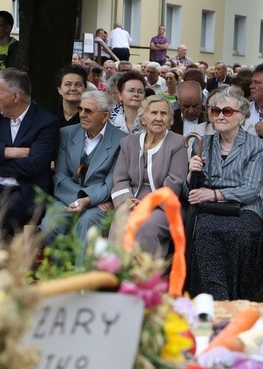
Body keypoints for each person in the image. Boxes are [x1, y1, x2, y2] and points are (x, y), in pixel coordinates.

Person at [185, 86, 263, 300]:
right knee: (204, 230)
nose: (220, 115)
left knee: (238, 233)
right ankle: (216, 296)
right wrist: (191, 173)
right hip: (210, 208)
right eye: (215, 111)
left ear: (242, 116)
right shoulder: (203, 144)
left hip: (244, 208)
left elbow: (250, 190)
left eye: (227, 111)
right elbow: (191, 190)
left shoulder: (255, 145)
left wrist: (214, 195)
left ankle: (239, 295)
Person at [0, 68, 59, 235]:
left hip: (23, 190)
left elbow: (35, 165)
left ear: (16, 96)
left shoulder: (46, 122)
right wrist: (12, 152)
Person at [39, 91, 126, 246]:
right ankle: (60, 269)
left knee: (87, 224)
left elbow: (111, 181)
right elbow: (61, 175)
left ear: (105, 116)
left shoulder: (121, 140)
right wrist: (78, 200)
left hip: (99, 203)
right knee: (50, 225)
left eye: (88, 111)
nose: (82, 114)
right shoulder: (67, 133)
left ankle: (81, 270)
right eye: (80, 109)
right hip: (67, 198)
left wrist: (88, 200)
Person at [110, 95, 187, 257]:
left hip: (163, 207)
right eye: (153, 113)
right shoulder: (128, 142)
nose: (159, 118)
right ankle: (117, 275)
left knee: (145, 227)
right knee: (120, 222)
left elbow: (174, 182)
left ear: (169, 119)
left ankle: (146, 277)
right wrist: (126, 201)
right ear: (143, 117)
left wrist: (148, 204)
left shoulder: (178, 143)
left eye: (164, 114)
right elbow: (120, 179)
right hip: (131, 201)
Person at [110, 70, 146, 134]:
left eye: (140, 92)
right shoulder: (110, 119)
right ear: (120, 95)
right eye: (131, 91)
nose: (136, 94)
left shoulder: (150, 119)